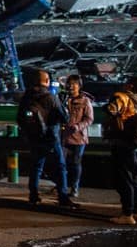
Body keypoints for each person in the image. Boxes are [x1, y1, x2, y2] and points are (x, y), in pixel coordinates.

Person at [17, 68, 75, 208]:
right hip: (51, 137)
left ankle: (33, 195)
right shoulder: (51, 97)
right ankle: (63, 196)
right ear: (46, 81)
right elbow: (64, 117)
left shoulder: (27, 97)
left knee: (36, 166)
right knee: (60, 166)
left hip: (35, 137)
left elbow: (19, 118)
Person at [104, 75, 137, 225]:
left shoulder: (122, 98)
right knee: (135, 180)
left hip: (123, 144)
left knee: (125, 180)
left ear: (130, 86)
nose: (124, 85)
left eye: (126, 83)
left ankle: (127, 214)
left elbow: (111, 110)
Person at [61, 73, 93, 200]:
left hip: (79, 138)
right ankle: (61, 186)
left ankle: (74, 188)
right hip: (64, 137)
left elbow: (89, 119)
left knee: (75, 164)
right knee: (61, 163)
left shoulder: (85, 101)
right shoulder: (64, 99)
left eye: (74, 84)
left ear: (79, 86)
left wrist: (78, 126)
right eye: (69, 84)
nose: (71, 86)